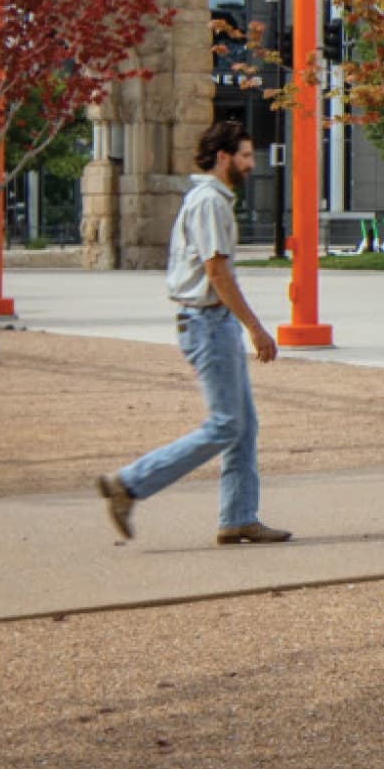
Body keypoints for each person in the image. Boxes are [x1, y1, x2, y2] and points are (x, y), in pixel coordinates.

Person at [94, 120, 292, 546]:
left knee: (243, 425)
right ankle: (129, 484)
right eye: (244, 155)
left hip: (210, 322)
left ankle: (238, 517)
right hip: (207, 323)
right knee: (225, 424)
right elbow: (217, 272)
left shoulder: (212, 199)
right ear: (223, 158)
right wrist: (256, 329)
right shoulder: (210, 203)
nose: (250, 164)